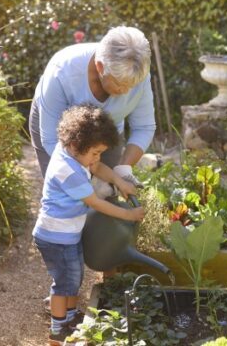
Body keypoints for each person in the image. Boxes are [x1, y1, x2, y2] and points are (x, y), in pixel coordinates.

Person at [32, 105, 145, 346]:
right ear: (76, 144)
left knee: (74, 277)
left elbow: (96, 168)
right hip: (55, 237)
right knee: (64, 283)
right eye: (95, 152)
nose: (98, 158)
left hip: (66, 234)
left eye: (101, 152)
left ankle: (70, 319)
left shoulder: (73, 153)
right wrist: (130, 215)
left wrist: (118, 181)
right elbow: (96, 202)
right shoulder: (68, 169)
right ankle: (57, 330)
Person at [29, 25, 156, 193]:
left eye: (131, 86)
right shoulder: (62, 71)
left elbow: (144, 127)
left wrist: (122, 169)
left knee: (108, 193)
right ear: (100, 66)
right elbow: (51, 140)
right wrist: (84, 173)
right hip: (59, 136)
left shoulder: (138, 74)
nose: (126, 91)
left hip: (107, 132)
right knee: (67, 196)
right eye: (120, 84)